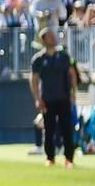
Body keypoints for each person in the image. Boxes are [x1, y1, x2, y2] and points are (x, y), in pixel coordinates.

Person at [30, 26, 78, 168]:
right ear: (43, 40)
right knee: (49, 130)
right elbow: (34, 80)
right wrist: (38, 98)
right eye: (49, 36)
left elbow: (72, 75)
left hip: (63, 97)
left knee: (67, 129)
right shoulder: (38, 59)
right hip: (47, 99)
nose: (53, 37)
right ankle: (50, 158)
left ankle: (69, 159)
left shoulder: (63, 56)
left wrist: (73, 94)